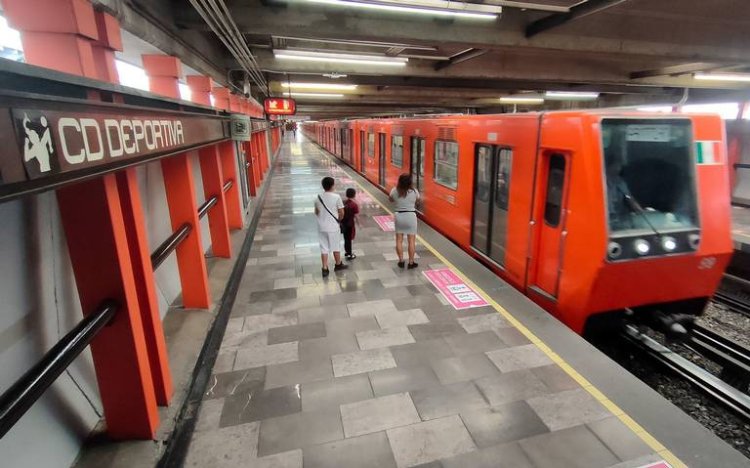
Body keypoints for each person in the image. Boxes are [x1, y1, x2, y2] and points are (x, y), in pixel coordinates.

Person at [314, 177, 348, 277]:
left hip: (322, 227)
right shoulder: (336, 197)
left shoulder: (318, 197)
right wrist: (339, 219)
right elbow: (342, 212)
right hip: (333, 226)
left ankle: (325, 268)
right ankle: (338, 264)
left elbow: (316, 212)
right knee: (335, 246)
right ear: (332, 185)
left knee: (324, 248)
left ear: (323, 186)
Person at [389, 174, 420, 269]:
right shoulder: (414, 191)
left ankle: (401, 261)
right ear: (410, 182)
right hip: (411, 216)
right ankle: (411, 262)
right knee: (411, 241)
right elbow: (418, 201)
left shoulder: (395, 190)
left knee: (399, 240)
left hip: (399, 216)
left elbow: (390, 199)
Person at [341, 188, 360, 260]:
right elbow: (356, 216)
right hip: (350, 224)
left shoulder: (343, 202)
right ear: (354, 195)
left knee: (346, 238)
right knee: (349, 238)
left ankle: (347, 251)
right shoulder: (354, 205)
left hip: (343, 223)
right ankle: (349, 253)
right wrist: (359, 224)